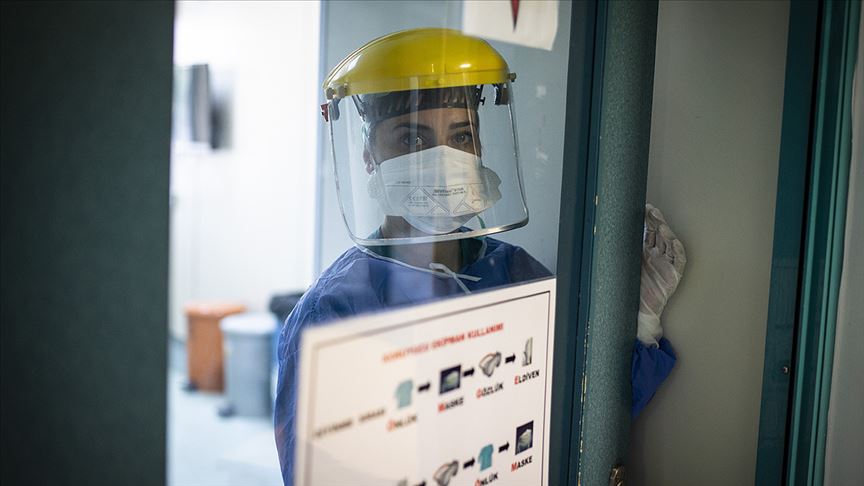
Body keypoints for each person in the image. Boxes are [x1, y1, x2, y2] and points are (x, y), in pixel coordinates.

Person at [274, 28, 550, 485]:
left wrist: (636, 329)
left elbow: (574, 410)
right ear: (369, 154)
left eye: (462, 137)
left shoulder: (516, 273)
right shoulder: (335, 311)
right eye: (413, 141)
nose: (443, 159)